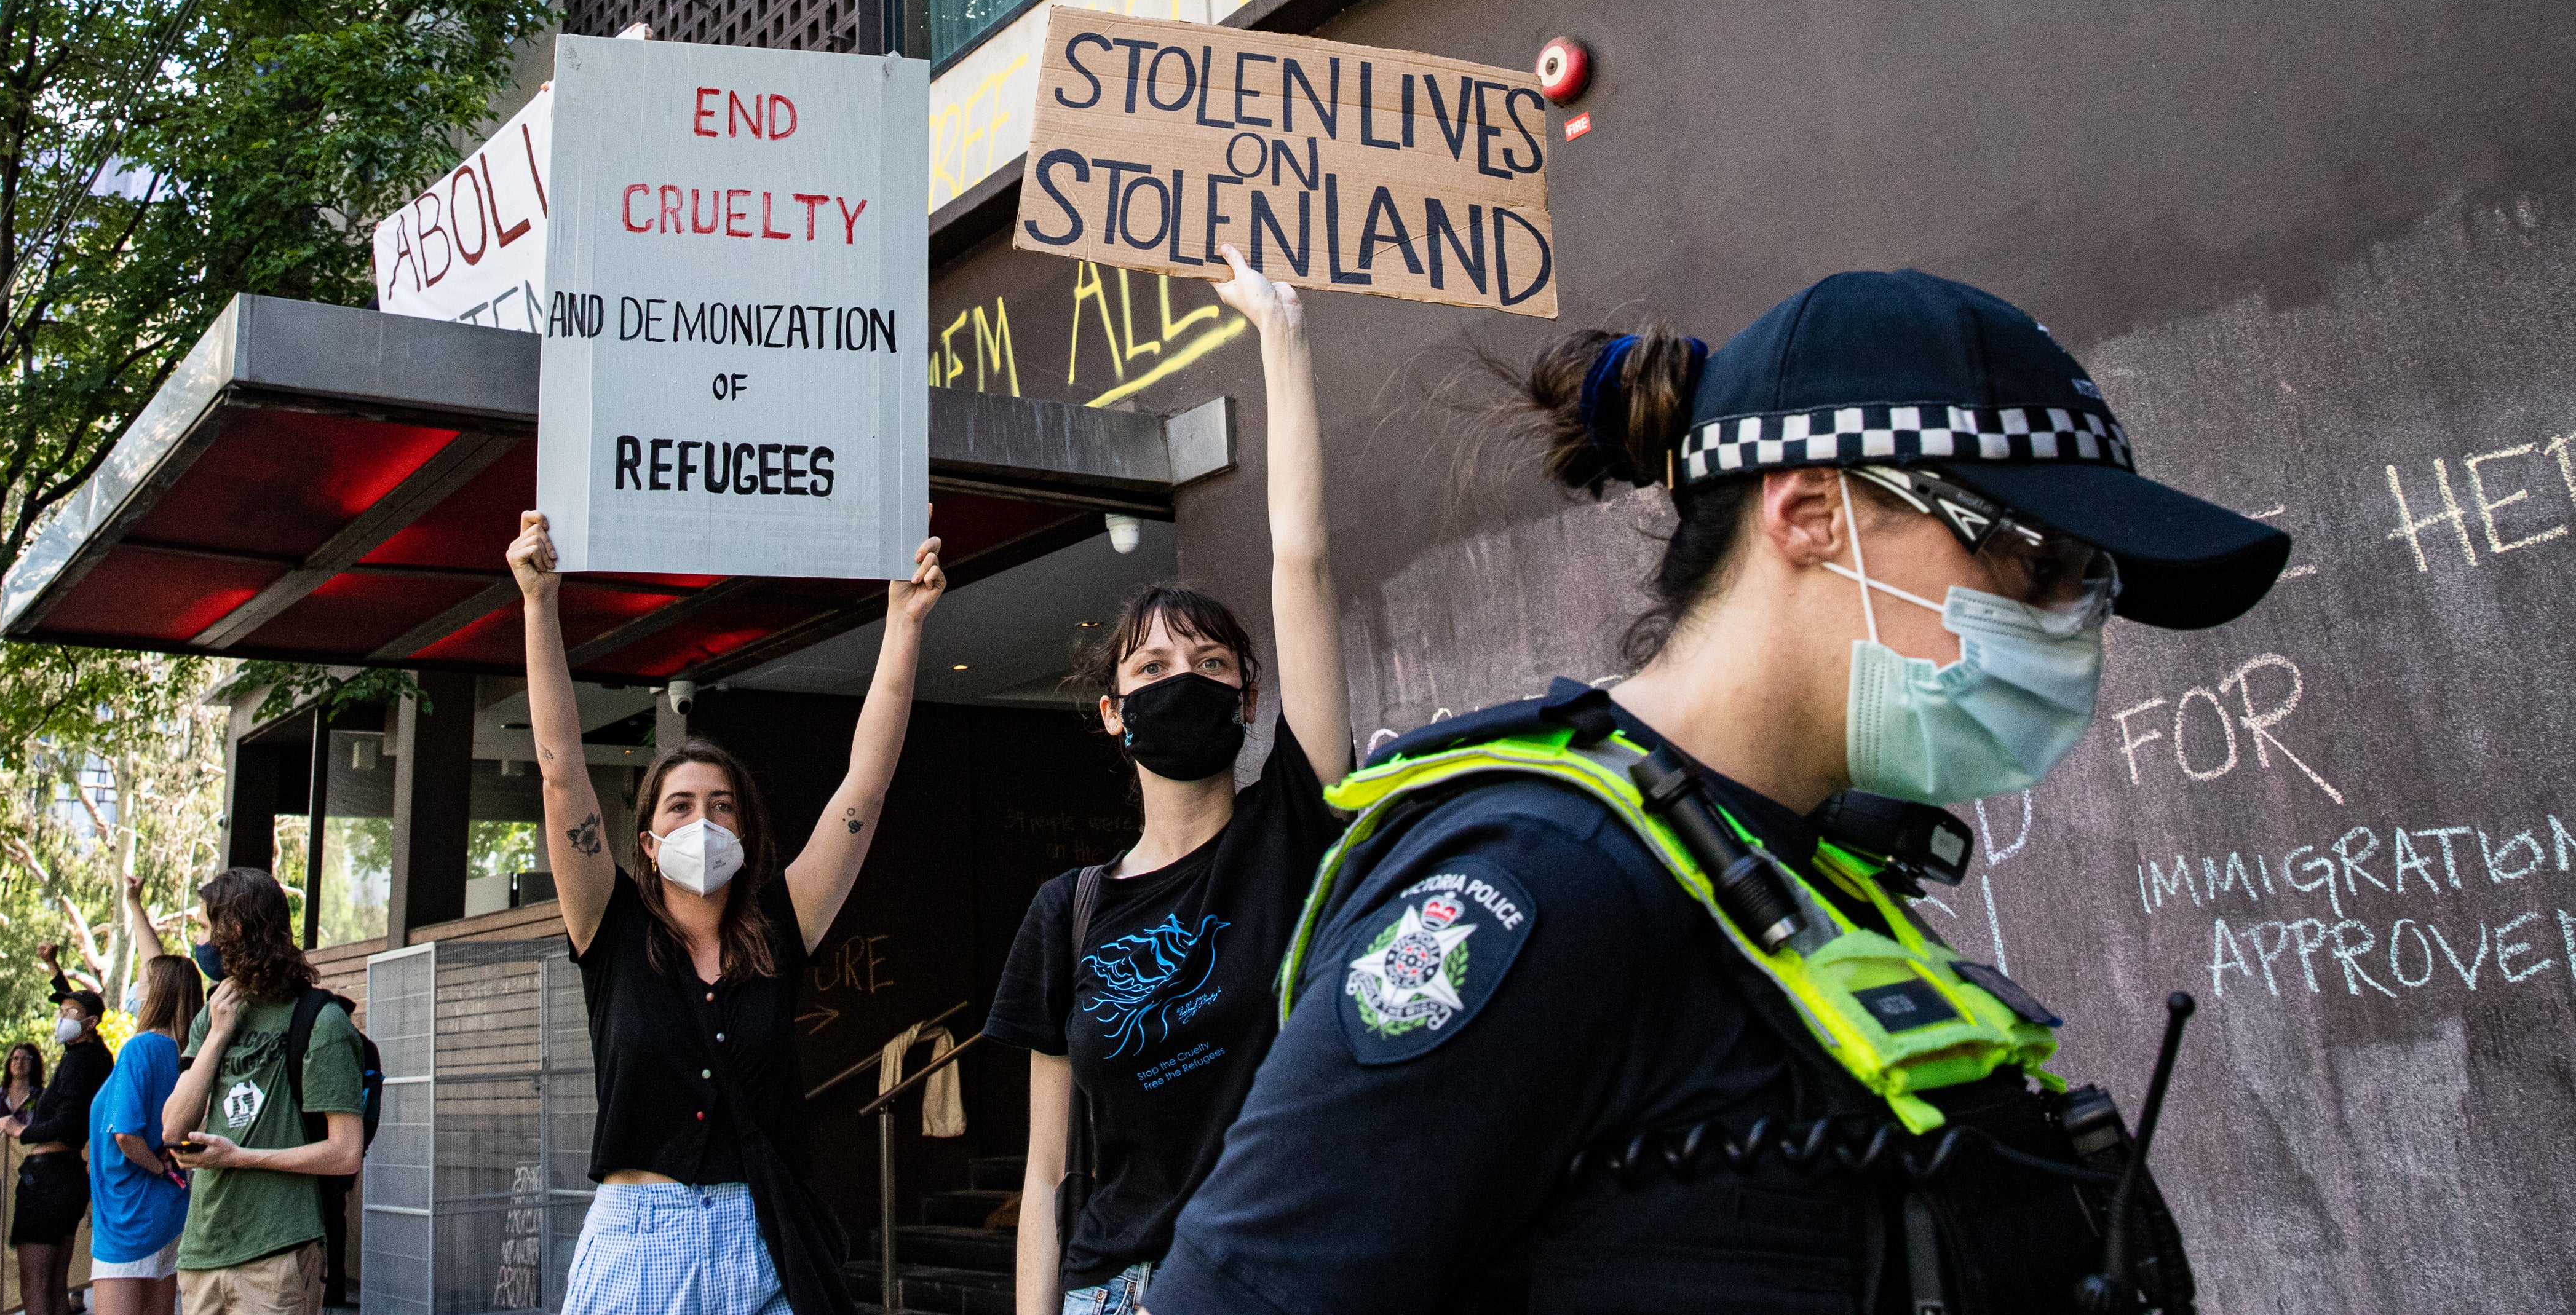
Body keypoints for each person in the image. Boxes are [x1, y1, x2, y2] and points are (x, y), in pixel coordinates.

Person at [1149, 269, 2283, 1315]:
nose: (2071, 630)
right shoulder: (1540, 888)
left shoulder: (1816, 880)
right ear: (1809, 511)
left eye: (2094, 588)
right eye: (2036, 562)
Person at [974, 248, 1350, 1315]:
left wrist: (1282, 335)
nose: (1181, 679)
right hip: (1114, 1291)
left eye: (1212, 665)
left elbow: (1304, 561)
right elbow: (1047, 1176)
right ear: (1112, 712)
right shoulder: (1070, 912)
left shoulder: (1294, 821)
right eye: (1150, 666)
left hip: (1272, 1281)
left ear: (1246, 703)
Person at [505, 499, 946, 1315]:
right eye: (678, 806)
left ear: (746, 827)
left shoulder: (782, 925)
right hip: (641, 1242)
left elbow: (866, 787)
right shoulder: (610, 926)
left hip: (760, 1237)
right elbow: (562, 770)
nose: (701, 821)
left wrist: (904, 622)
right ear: (644, 838)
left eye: (721, 805)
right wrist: (540, 604)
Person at [160, 868, 365, 1315]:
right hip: (203, 1251)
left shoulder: (322, 1022)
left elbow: (346, 1151)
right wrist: (217, 1035)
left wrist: (241, 1157)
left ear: (233, 927)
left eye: (202, 925)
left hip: (277, 1254)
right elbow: (174, 1127)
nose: (198, 940)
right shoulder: (215, 1013)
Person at [89, 956, 202, 1315]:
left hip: (128, 1213)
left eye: (144, 981)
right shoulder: (187, 1054)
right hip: (167, 1207)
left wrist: (156, 1167)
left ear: (159, 993)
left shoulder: (140, 1049)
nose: (138, 988)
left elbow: (125, 1134)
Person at [4, 984, 114, 1315]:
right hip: (67, 1178)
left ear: (91, 1022)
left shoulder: (80, 1062)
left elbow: (67, 1122)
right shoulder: (97, 1058)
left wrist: (21, 1130)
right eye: (61, 1011)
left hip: (48, 1178)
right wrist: (53, 970)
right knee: (55, 1284)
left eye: (71, 1013)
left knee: (36, 1285)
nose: (63, 1017)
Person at [0, 1044, 44, 1139]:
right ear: (9, 1063)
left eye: (25, 1058)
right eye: (15, 1058)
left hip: (31, 1153)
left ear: (34, 1063)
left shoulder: (42, 1098)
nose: (20, 1062)